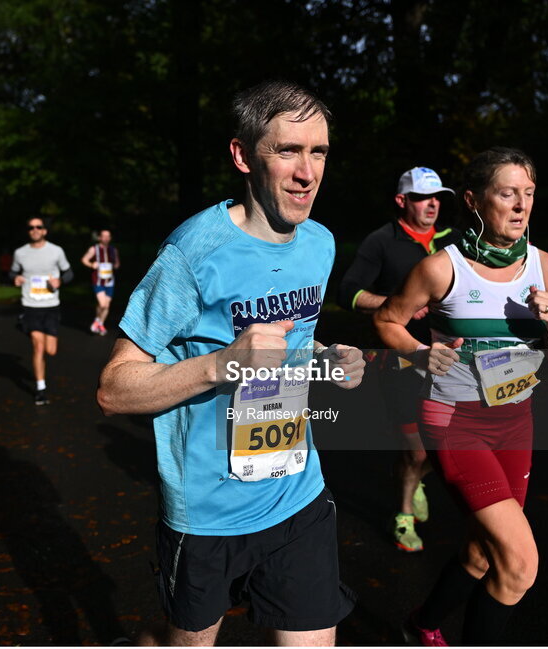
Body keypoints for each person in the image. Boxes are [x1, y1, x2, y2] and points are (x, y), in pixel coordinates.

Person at [98, 81, 365, 647]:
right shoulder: (192, 254)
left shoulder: (319, 244)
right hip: (208, 514)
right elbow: (114, 389)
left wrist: (328, 357)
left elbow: (292, 341)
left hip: (298, 495)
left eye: (318, 152)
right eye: (287, 151)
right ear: (243, 156)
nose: (307, 172)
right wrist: (222, 364)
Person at [374, 147, 548, 646]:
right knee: (519, 564)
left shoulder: (546, 268)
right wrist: (420, 354)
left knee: (482, 553)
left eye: (528, 193)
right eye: (507, 193)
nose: (521, 206)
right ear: (472, 200)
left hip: (516, 423)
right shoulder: (441, 269)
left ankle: (420, 625)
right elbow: (387, 320)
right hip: (455, 423)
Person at [339, 166, 460, 553]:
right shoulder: (381, 241)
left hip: (451, 358)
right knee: (418, 449)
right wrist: (393, 305)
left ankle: (416, 477)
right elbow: (348, 293)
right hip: (401, 359)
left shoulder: (453, 241)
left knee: (448, 445)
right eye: (424, 198)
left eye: (438, 197)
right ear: (401, 201)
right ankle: (403, 515)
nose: (433, 204)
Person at [11, 218, 73, 406]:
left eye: (39, 227)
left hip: (51, 306)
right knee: (38, 347)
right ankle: (40, 389)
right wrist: (16, 278)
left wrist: (60, 281)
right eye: (31, 227)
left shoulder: (56, 251)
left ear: (45, 231)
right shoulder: (20, 253)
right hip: (30, 306)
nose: (35, 230)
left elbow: (69, 273)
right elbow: (12, 273)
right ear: (28, 231)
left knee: (50, 351)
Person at [80, 229, 120, 335]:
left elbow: (117, 263)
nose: (106, 238)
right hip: (98, 281)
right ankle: (97, 321)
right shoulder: (94, 249)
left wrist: (115, 265)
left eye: (108, 236)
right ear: (99, 238)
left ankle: (100, 323)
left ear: (110, 238)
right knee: (102, 304)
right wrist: (91, 265)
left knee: (107, 306)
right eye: (104, 236)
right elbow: (84, 260)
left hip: (110, 281)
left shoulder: (113, 250)